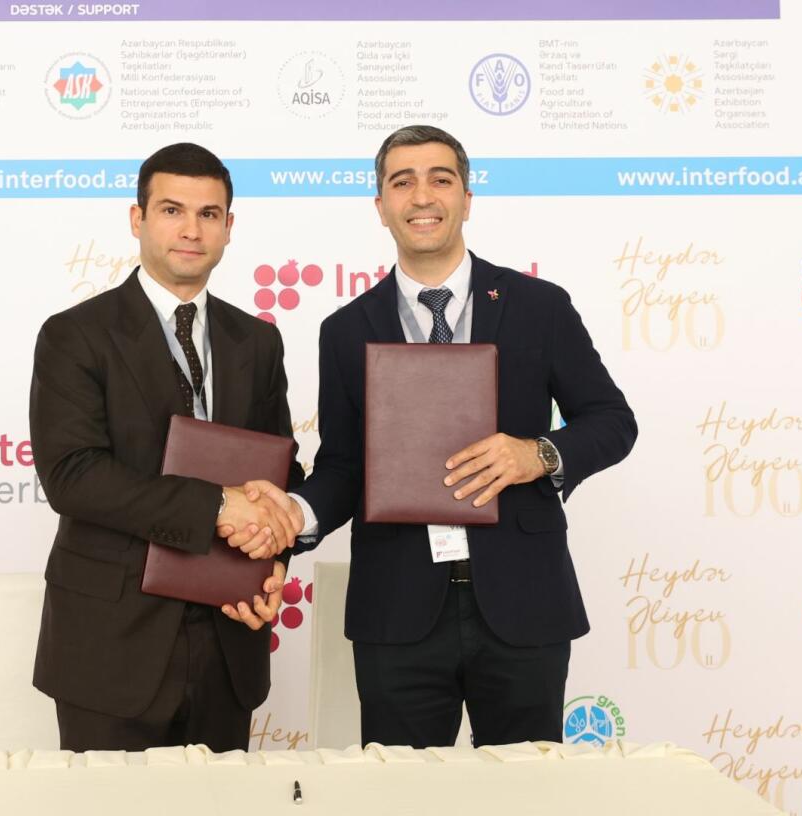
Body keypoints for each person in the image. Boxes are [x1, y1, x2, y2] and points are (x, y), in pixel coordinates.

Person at [244, 125, 637, 748]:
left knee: (527, 792)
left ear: (467, 198)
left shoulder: (540, 306)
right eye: (403, 182)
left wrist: (537, 454)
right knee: (401, 794)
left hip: (524, 603)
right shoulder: (345, 331)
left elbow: (613, 421)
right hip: (396, 610)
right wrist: (294, 513)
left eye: (440, 179)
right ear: (381, 206)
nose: (422, 196)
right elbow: (344, 466)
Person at [28, 142, 303, 752]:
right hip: (111, 645)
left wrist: (275, 562)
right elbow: (73, 476)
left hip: (230, 638)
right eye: (172, 210)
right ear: (138, 219)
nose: (191, 230)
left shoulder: (257, 342)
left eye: (209, 214)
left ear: (229, 227)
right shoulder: (75, 334)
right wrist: (217, 505)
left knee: (221, 800)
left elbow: (279, 474)